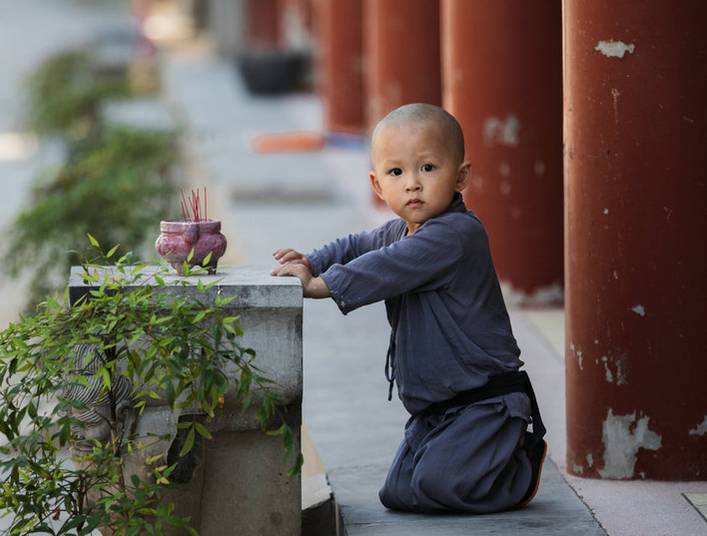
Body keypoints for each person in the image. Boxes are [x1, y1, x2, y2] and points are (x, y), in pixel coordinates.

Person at [271, 103, 546, 514]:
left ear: (461, 176)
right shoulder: (398, 230)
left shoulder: (456, 235)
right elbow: (356, 245)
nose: (413, 184)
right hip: (435, 411)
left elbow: (382, 267)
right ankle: (472, 463)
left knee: (437, 485)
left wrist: (321, 285)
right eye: (397, 172)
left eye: (428, 168)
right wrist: (310, 260)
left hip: (484, 405)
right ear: (378, 185)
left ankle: (516, 468)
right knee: (398, 493)